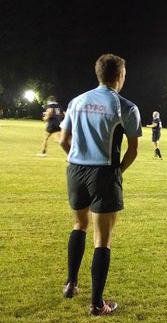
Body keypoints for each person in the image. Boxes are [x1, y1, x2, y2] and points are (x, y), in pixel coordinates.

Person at [59, 54, 142, 316]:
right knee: (102, 240)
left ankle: (71, 284)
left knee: (78, 225)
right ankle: (96, 304)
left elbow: (63, 140)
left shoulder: (77, 101)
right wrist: (117, 173)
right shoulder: (125, 107)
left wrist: (78, 160)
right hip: (103, 173)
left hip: (75, 170)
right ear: (120, 76)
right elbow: (133, 149)